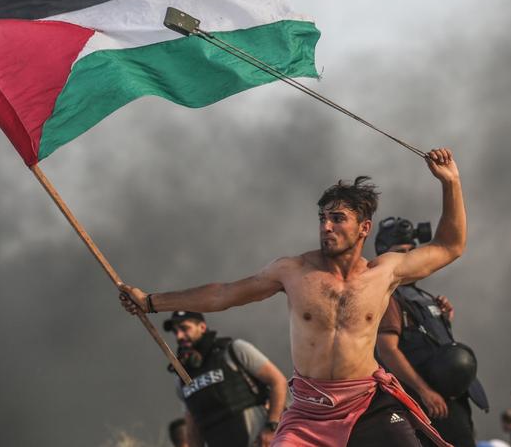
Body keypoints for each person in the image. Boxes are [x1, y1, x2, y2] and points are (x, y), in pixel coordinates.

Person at [121, 148, 463, 447]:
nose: (326, 227)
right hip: (310, 413)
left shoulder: (384, 272)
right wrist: (150, 302)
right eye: (322, 218)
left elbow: (450, 246)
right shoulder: (293, 271)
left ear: (364, 228)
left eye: (337, 218)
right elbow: (224, 294)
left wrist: (450, 183)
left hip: (367, 403)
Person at [375, 217, 488, 447]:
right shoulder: (388, 296)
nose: (408, 257)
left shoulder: (420, 295)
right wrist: (424, 391)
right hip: (429, 403)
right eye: (400, 252)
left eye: (411, 251)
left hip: (451, 397)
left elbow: (427, 344)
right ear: (384, 254)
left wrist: (441, 318)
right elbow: (387, 350)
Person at [164, 311, 287, 447]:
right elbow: (193, 424)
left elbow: (278, 381)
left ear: (202, 327)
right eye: (175, 332)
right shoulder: (182, 378)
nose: (179, 336)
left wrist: (272, 428)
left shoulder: (234, 350)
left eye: (184, 328)